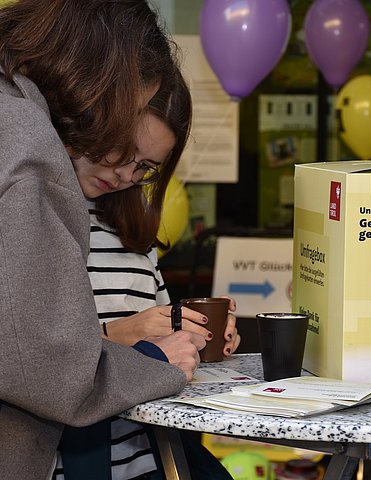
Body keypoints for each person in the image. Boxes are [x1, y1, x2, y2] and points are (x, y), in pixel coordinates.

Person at [0, 2, 206, 478]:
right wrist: (155, 359)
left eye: (144, 168)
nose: (124, 170)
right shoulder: (26, 147)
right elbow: (44, 366)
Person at [53, 69, 239, 480]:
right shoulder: (41, 218)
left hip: (150, 459)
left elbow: (161, 350)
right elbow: (31, 358)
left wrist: (195, 337)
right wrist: (119, 335)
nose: (125, 175)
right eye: (122, 151)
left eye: (145, 167)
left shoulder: (133, 235)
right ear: (94, 121)